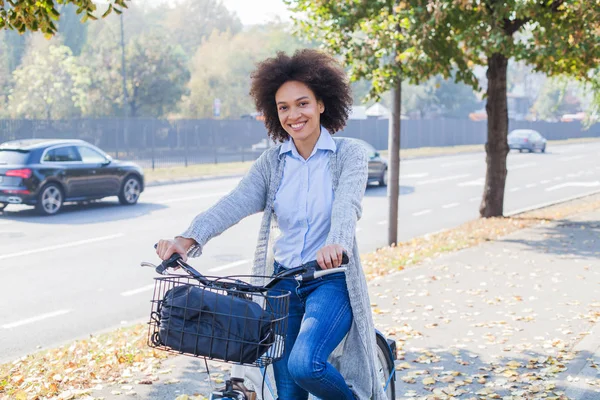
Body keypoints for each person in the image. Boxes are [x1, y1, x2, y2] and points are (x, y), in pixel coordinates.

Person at [156, 49, 387, 400]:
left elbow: (347, 206)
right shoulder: (272, 163)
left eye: (303, 103)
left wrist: (336, 243)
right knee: (288, 394)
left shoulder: (349, 154)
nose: (294, 115)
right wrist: (188, 239)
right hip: (281, 288)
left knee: (305, 365)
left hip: (328, 282)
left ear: (322, 104)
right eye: (283, 107)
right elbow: (233, 203)